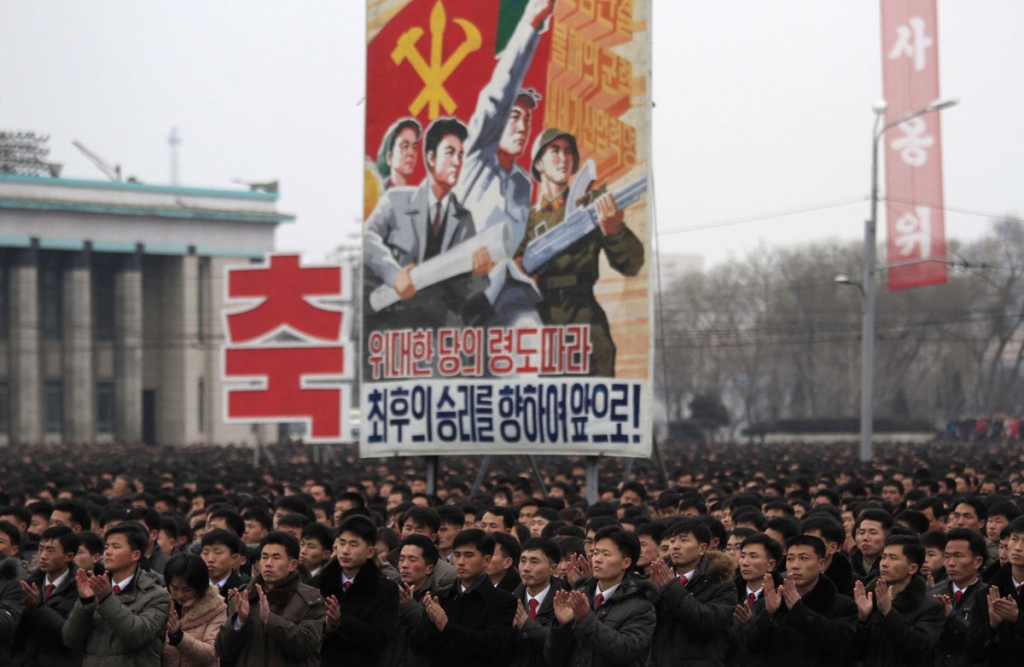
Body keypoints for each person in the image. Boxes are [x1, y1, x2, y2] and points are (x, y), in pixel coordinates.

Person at [514, 128, 645, 377]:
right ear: (538, 164)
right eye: (554, 151)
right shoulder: (527, 220)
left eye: (568, 152)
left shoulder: (592, 205)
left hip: (586, 326)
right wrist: (520, 276)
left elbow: (632, 264)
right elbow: (513, 272)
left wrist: (615, 232)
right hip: (541, 330)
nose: (563, 158)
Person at [364, 117, 489, 331]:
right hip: (392, 327)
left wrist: (479, 276)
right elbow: (366, 238)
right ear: (431, 158)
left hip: (436, 332)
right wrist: (393, 274)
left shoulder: (464, 220)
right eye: (450, 153)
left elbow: (466, 294)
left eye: (460, 155)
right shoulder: (396, 200)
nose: (457, 162)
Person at [62, 521, 172, 666]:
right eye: (106, 547)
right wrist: (85, 602)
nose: (107, 552)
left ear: (136, 555)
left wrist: (107, 599)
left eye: (116, 547)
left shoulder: (157, 594)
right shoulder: (96, 587)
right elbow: (70, 639)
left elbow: (138, 635)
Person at [545, 527, 656, 667]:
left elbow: (625, 652)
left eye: (606, 554)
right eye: (596, 553)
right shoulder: (579, 595)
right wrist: (563, 626)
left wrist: (585, 620)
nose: (597, 559)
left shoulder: (641, 605)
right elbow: (552, 656)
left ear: (626, 562)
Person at [741, 535, 858, 666]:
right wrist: (767, 615)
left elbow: (838, 643)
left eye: (804, 558)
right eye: (790, 559)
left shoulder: (842, 605)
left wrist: (799, 610)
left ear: (821, 564)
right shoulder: (771, 602)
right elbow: (751, 647)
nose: (795, 565)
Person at [215, 531, 325, 667]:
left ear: (293, 565)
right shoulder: (244, 596)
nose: (268, 563)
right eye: (264, 557)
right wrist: (238, 621)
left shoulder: (309, 599)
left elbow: (309, 645)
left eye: (276, 557)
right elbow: (223, 650)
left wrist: (270, 620)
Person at [410, 529, 517, 667]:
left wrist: (447, 627)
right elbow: (418, 647)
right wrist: (430, 623)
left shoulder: (503, 601)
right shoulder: (440, 597)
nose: (460, 562)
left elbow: (493, 645)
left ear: (486, 560)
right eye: (457, 555)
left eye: (468, 555)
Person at [648, 517, 737, 667]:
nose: (675, 546)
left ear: (702, 548)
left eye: (684, 540)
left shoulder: (721, 582)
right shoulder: (657, 577)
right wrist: (652, 592)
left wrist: (672, 587)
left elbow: (707, 622)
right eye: (673, 541)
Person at [851, 535, 945, 667]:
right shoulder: (870, 601)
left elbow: (919, 647)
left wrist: (889, 614)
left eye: (893, 558)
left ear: (912, 568)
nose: (884, 563)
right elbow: (854, 652)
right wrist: (862, 619)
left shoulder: (931, 607)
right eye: (883, 557)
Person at [319, 516, 400, 667]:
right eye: (342, 543)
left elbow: (380, 638)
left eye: (353, 544)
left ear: (370, 552)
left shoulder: (385, 589)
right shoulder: (319, 583)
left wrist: (341, 622)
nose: (345, 551)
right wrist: (326, 628)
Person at [14, 525, 80, 667]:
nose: (43, 555)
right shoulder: (28, 584)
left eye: (50, 550)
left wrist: (36, 607)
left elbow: (70, 635)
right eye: (41, 548)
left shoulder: (81, 589)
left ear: (69, 556)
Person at [965, 515, 1024, 666]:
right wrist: (991, 626)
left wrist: (1018, 619)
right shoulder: (988, 591)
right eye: (1014, 539)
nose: (1018, 547)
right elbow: (973, 653)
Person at [927, 528, 989, 667]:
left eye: (958, 556)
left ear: (977, 562)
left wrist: (951, 616)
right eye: (947, 556)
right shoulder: (933, 594)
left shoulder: (987, 596)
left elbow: (981, 641)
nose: (950, 563)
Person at [380, 534, 444, 667]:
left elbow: (434, 637)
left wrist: (410, 607)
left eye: (412, 560)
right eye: (401, 559)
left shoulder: (438, 598)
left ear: (429, 568)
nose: (404, 565)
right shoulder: (386, 592)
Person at [162, 553, 227, 667]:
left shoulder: (216, 608)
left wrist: (179, 637)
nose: (180, 595)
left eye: (186, 589)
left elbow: (212, 654)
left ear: (199, 586)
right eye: (175, 588)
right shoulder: (160, 602)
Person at [510, 538, 561, 667]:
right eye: (523, 561)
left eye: (534, 562)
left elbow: (564, 644)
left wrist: (527, 625)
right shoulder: (508, 601)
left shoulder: (564, 603)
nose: (526, 568)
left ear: (553, 568)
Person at [375, 118, 422, 191]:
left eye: (414, 147)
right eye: (405, 146)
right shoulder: (377, 194)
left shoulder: (414, 196)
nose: (411, 153)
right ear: (389, 158)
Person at [201, 529, 246, 599]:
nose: (210, 559)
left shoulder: (243, 589)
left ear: (234, 558)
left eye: (218, 552)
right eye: (205, 552)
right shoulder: (193, 588)